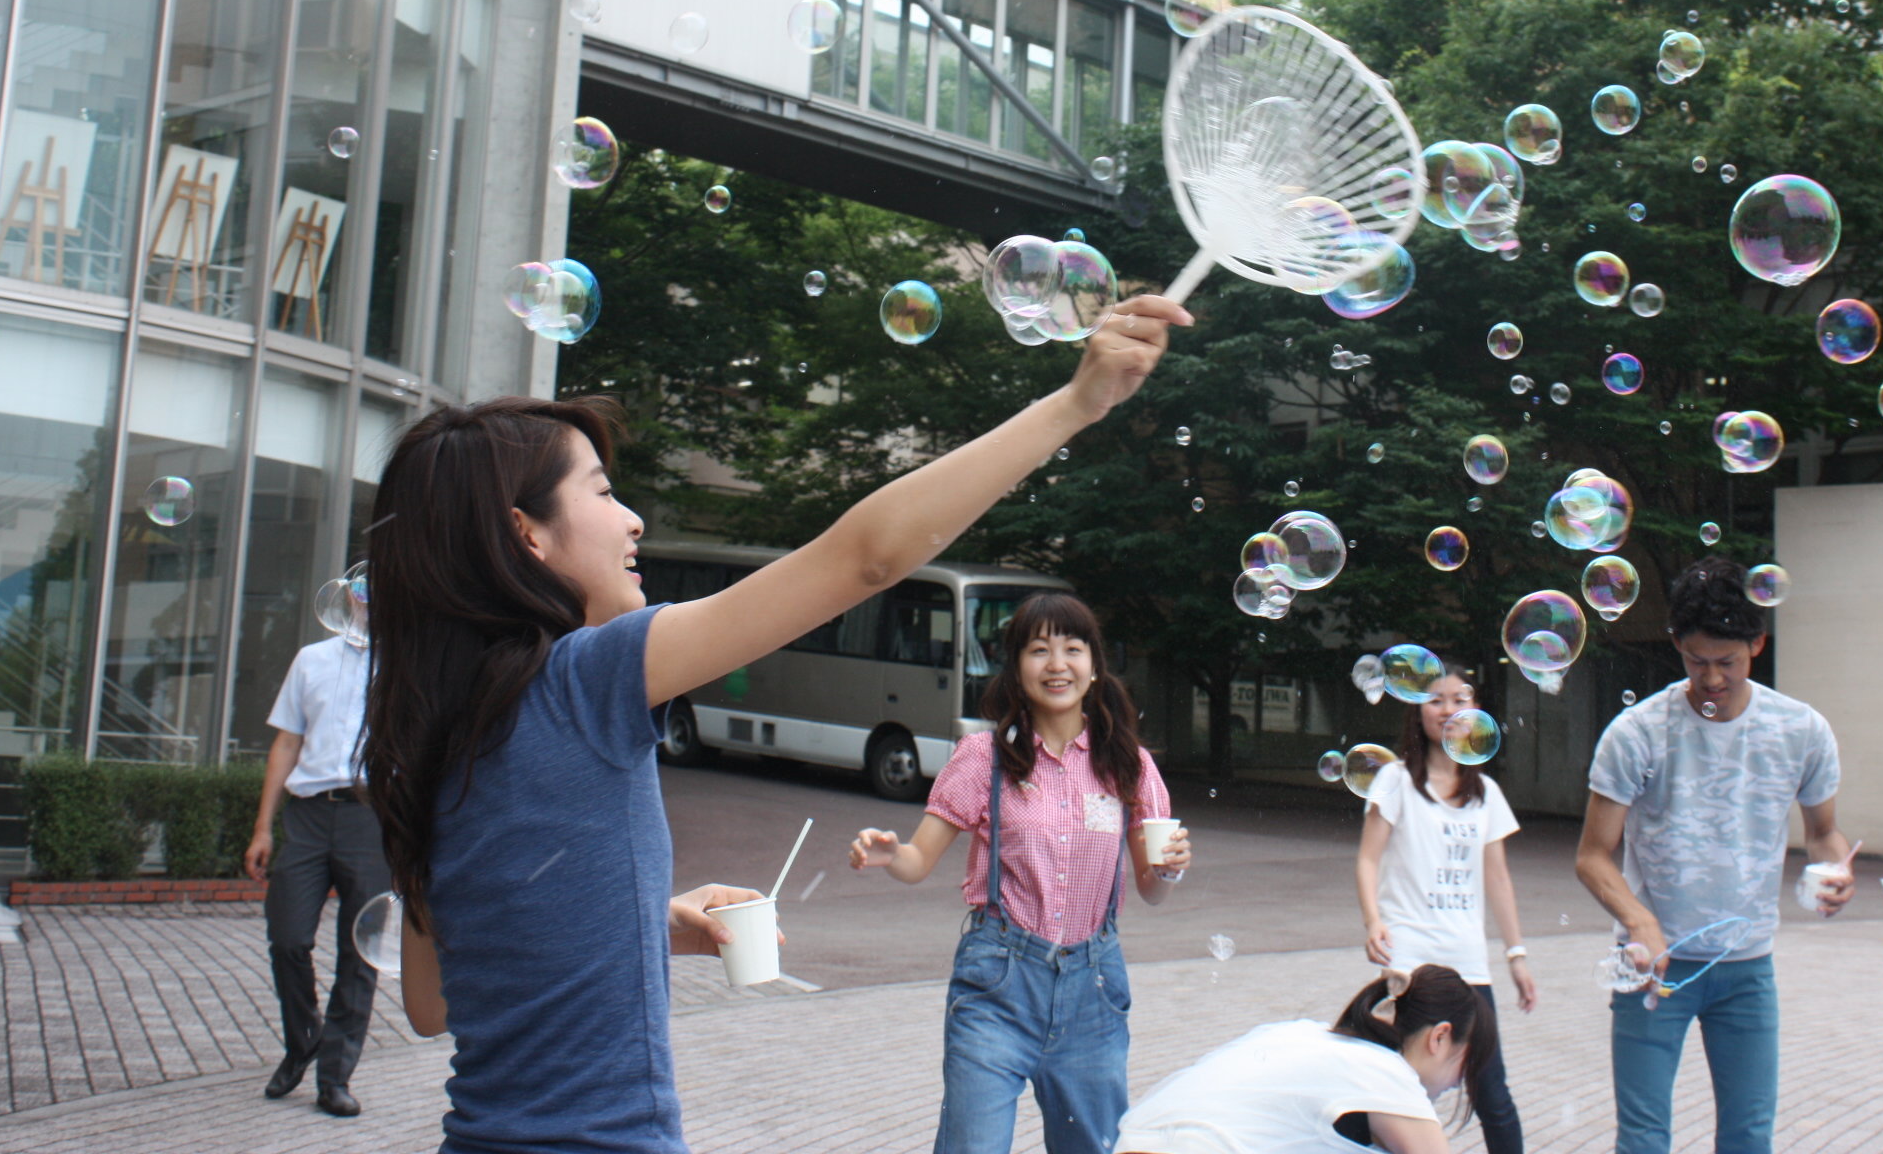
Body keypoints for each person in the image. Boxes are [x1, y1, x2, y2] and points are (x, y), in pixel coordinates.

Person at [362, 294, 1188, 1154]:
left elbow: (437, 1004)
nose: (634, 518)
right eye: (605, 493)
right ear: (524, 535)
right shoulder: (586, 678)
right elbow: (865, 557)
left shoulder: (423, 742)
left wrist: (641, 918)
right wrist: (1077, 402)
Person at [847, 591, 1190, 1154]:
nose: (1057, 665)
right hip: (998, 986)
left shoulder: (1128, 763)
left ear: (1096, 667)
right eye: (1038, 649)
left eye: (1072, 649)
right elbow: (916, 860)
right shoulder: (983, 757)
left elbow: (1151, 889)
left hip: (1093, 990)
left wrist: (1169, 870)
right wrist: (889, 854)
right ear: (1016, 668)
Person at [1575, 556, 1853, 1154]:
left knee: (1749, 1140)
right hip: (1654, 967)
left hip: (1748, 969)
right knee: (1644, 1141)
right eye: (1696, 660)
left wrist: (1834, 869)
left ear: (1758, 643)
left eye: (1727, 661)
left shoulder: (1801, 731)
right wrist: (1639, 920)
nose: (1712, 678)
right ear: (1676, 644)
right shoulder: (1638, 732)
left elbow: (1826, 831)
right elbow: (1593, 855)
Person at [1355, 669, 1533, 1154]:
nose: (1448, 709)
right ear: (1417, 711)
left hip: (1469, 964)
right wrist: (1374, 920)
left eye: (1460, 699)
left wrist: (1515, 953)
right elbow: (1368, 858)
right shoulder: (1394, 781)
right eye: (1435, 700)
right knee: (1404, 1093)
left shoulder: (1486, 794)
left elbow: (1498, 878)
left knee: (1492, 1092)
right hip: (1411, 961)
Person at [245, 627, 392, 1117]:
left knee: (360, 950)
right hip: (307, 814)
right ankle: (303, 1041)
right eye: (360, 588)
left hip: (371, 815)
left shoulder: (407, 662)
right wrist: (263, 828)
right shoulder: (311, 658)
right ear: (348, 598)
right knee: (287, 937)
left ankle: (335, 1077)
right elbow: (287, 742)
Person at [1114, 965, 1491, 1154]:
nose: (1458, 1082)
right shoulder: (1389, 1076)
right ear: (1439, 1037)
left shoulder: (1318, 1036)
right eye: (1466, 1064)